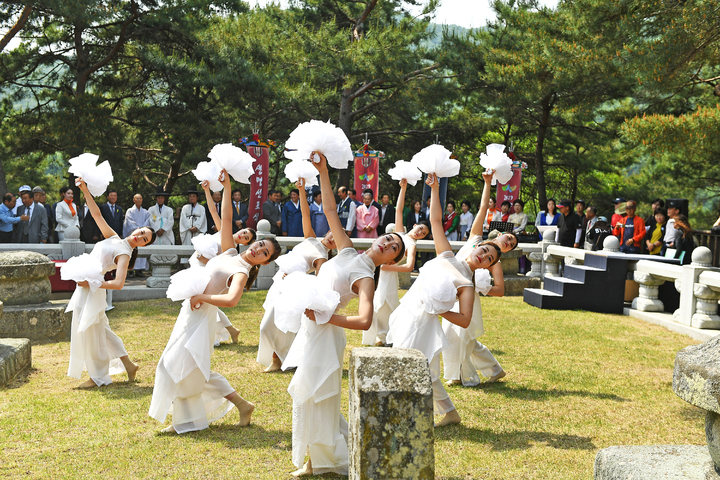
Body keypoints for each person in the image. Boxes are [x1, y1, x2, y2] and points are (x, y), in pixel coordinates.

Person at [283, 151, 405, 477]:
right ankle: (319, 455)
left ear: (390, 258)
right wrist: (323, 171)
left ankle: (326, 460)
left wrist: (327, 318)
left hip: (327, 332)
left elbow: (364, 321)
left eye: (393, 246)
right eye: (388, 238)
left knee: (320, 394)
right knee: (307, 393)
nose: (387, 243)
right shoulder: (347, 249)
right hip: (312, 330)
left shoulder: (366, 277)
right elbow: (328, 209)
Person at [149, 169, 281, 434]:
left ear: (264, 261)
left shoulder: (242, 272)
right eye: (260, 244)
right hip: (190, 312)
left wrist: (202, 297)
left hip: (203, 316)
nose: (257, 249)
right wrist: (224, 186)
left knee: (176, 365)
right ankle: (241, 405)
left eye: (263, 253)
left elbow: (231, 300)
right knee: (193, 368)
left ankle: (188, 421)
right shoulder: (231, 251)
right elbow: (226, 217)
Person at [388, 171, 502, 428]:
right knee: (421, 367)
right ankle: (449, 412)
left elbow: (463, 320)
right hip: (408, 309)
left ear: (489, 266)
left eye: (490, 259)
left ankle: (403, 414)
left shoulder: (467, 285)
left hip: (425, 321)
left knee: (408, 363)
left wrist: (439, 311)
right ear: (476, 247)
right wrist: (436, 189)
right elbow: (436, 220)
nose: (484, 255)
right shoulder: (447, 255)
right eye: (484, 249)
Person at [64, 178, 156, 388]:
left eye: (144, 239)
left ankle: (99, 376)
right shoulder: (115, 237)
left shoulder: (124, 253)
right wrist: (85, 189)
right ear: (136, 228)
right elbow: (97, 214)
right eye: (141, 232)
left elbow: (118, 283)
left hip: (94, 289)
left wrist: (93, 284)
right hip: (87, 285)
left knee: (91, 331)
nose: (139, 236)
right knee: (102, 330)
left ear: (144, 244)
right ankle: (129, 365)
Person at [258, 178, 335, 372]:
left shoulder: (322, 258)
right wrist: (302, 190)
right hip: (279, 280)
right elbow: (305, 215)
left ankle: (281, 359)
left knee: (280, 325)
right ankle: (277, 358)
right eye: (332, 233)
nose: (332, 238)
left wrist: (294, 278)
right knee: (267, 325)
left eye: (337, 238)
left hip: (293, 287)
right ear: (327, 232)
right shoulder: (311, 238)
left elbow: (319, 281)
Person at [443, 170, 508, 391]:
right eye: (506, 237)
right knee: (459, 337)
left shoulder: (494, 262)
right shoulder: (476, 239)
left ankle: (459, 375)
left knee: (461, 337)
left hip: (468, 296)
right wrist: (487, 183)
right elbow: (482, 209)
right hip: (451, 289)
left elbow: (500, 290)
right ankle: (494, 369)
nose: (506, 241)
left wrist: (483, 287)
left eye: (510, 243)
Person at [363, 178, 430, 347]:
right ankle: (374, 336)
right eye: (420, 228)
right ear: (414, 225)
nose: (420, 232)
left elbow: (408, 267)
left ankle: (385, 337)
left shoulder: (412, 246)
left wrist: (386, 266)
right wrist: (403, 188)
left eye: (423, 233)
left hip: (388, 273)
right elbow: (399, 210)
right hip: (377, 269)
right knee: (372, 301)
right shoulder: (399, 233)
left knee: (386, 305)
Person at [123, 194, 152, 274]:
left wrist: (142, 230)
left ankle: (140, 270)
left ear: (142, 200)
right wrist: (138, 229)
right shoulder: (130, 211)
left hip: (142, 234)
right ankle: (130, 270)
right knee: (132, 251)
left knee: (141, 250)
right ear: (134, 200)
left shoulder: (145, 212)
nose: (139, 200)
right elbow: (129, 222)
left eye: (140, 198)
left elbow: (147, 221)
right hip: (133, 234)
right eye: (137, 198)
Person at [148, 186, 175, 251]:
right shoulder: (151, 209)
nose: (160, 199)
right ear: (156, 199)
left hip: (166, 234)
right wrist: (157, 230)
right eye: (158, 198)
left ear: (164, 199)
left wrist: (163, 229)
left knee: (166, 251)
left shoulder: (169, 210)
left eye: (162, 198)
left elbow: (170, 221)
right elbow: (150, 220)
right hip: (155, 234)